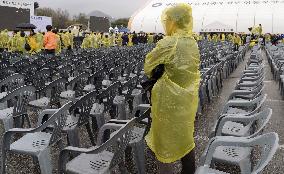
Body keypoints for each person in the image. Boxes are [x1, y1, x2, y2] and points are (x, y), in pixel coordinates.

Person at [144, 3, 200, 174]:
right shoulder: (192, 42)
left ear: (174, 21)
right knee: (185, 137)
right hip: (187, 100)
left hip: (168, 102)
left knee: (163, 142)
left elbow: (148, 66)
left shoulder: (169, 43)